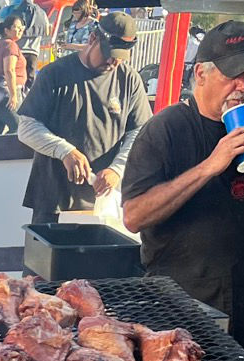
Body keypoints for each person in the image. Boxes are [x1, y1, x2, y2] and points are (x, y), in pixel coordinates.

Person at [121, 19, 244, 356]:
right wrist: (208, 167)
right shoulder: (165, 130)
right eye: (233, 75)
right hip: (179, 304)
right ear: (201, 74)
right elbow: (133, 216)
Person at [14, 10, 147, 223]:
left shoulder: (129, 80)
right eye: (109, 54)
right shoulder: (54, 74)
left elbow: (140, 132)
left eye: (120, 58)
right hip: (53, 199)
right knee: (45, 257)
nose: (113, 63)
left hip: (102, 205)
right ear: (93, 38)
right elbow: (27, 127)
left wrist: (117, 169)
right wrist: (65, 151)